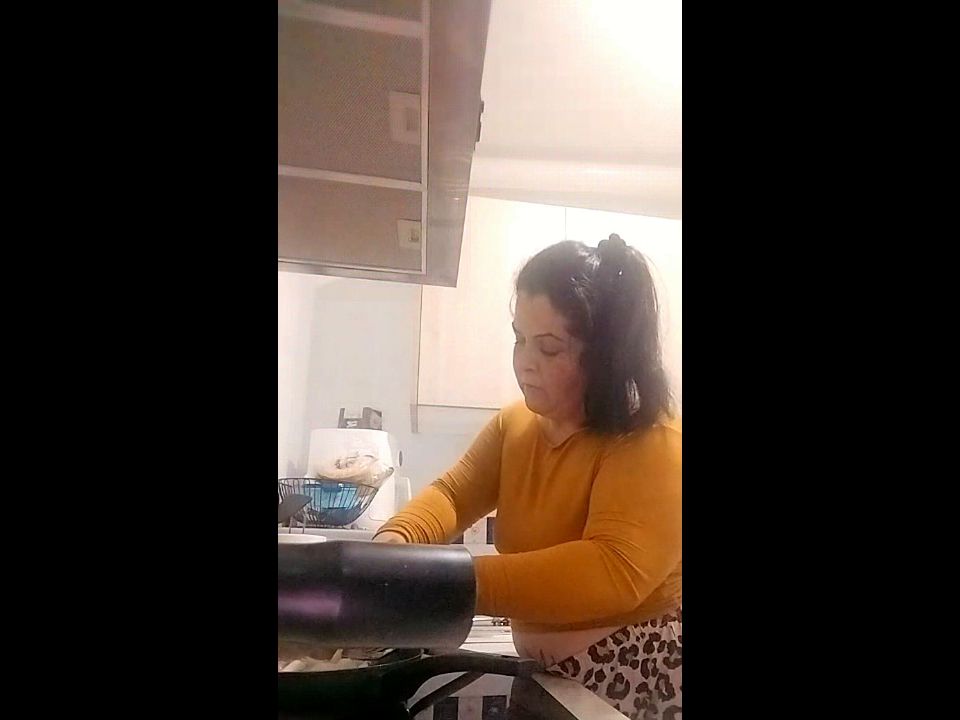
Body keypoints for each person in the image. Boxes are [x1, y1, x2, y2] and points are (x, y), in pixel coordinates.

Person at [374, 234, 681, 719]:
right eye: (519, 339)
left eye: (550, 348)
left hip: (637, 683)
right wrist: (393, 545)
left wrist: (442, 583)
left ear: (607, 355)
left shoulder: (652, 439)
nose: (524, 363)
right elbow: (453, 495)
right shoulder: (515, 425)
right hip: (549, 678)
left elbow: (613, 569)